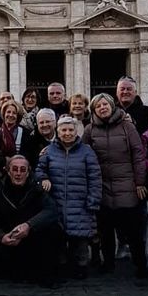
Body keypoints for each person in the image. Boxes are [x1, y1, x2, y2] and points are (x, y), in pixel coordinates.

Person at [83, 93, 147, 274]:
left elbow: (138, 154)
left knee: (133, 229)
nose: (102, 108)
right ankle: (108, 263)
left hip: (126, 184)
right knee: (105, 229)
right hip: (102, 185)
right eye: (98, 106)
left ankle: (140, 264)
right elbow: (81, 153)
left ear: (112, 106)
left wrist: (140, 182)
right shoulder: (89, 130)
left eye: (105, 104)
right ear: (94, 110)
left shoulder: (128, 126)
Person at [37, 115, 102, 278]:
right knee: (60, 238)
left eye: (70, 130)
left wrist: (93, 200)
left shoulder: (87, 151)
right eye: (63, 130)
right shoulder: (49, 151)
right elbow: (39, 169)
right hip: (57, 201)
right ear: (58, 131)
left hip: (80, 203)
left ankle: (81, 266)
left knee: (80, 239)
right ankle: (62, 265)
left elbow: (95, 177)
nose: (67, 133)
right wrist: (43, 178)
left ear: (76, 131)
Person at [0, 155, 57, 284]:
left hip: (34, 236)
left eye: (22, 170)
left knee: (53, 233)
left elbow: (51, 210)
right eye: (14, 169)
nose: (18, 173)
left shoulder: (37, 188)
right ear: (8, 171)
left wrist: (29, 225)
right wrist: (2, 237)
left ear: (28, 172)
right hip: (11, 237)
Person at [0, 100, 35, 175]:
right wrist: (4, 161)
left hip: (19, 173)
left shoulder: (26, 133)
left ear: (18, 116)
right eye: (8, 112)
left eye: (14, 113)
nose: (11, 115)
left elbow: (29, 155)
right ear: (4, 114)